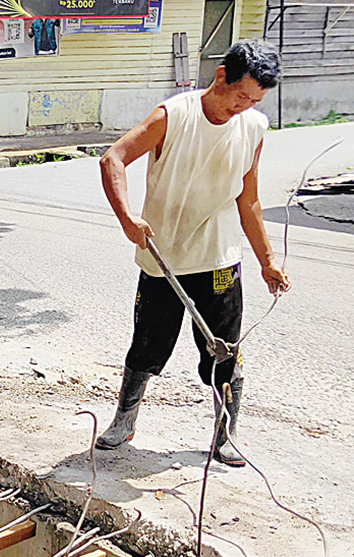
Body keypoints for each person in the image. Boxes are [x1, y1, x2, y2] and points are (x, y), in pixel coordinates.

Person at [96, 39, 291, 465]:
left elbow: (249, 200)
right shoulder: (174, 116)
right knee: (147, 344)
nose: (245, 106)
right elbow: (113, 159)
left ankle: (226, 436)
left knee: (224, 350)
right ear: (221, 76)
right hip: (162, 259)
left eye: (255, 100)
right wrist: (128, 218)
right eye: (241, 95)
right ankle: (124, 421)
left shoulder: (254, 128)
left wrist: (267, 260)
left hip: (220, 260)